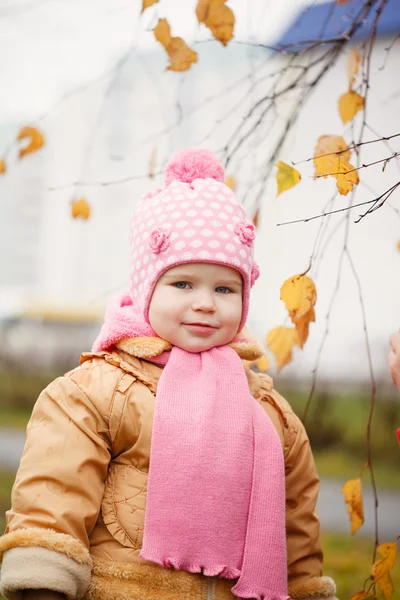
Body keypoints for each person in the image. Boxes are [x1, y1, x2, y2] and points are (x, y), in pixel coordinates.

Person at [0, 149, 338, 600]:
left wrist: (306, 590)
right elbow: (54, 494)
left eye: (224, 288)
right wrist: (45, 581)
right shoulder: (95, 392)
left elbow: (296, 527)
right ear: (146, 290)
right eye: (183, 284)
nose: (205, 302)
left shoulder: (268, 411)